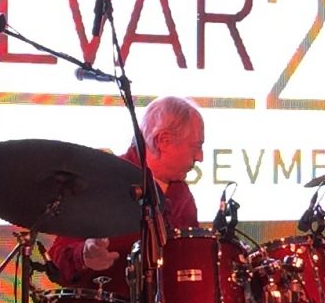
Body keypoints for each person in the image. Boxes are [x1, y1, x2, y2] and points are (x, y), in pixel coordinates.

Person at [45, 95, 205, 283]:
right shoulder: (105, 179)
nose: (200, 157)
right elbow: (57, 260)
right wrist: (83, 256)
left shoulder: (181, 194)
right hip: (110, 300)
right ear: (164, 141)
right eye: (197, 146)